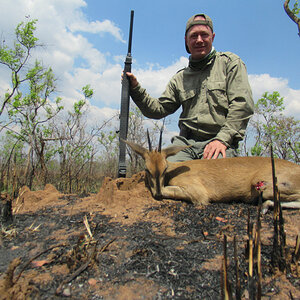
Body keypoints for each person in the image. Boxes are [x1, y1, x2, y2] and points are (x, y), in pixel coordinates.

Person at [126, 14, 254, 161]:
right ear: (186, 41)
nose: (199, 40)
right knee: (164, 172)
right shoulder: (180, 78)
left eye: (204, 35)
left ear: (212, 37)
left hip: (219, 142)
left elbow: (242, 105)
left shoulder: (230, 63)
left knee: (214, 177)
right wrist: (135, 89)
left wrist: (222, 139)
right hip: (186, 145)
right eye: (194, 36)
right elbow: (157, 109)